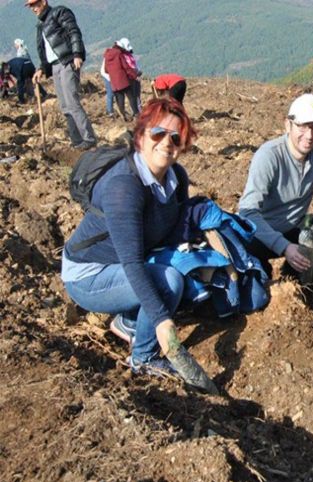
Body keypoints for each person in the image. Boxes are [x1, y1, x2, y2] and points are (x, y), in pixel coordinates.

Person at [61, 98, 217, 394]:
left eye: (176, 137)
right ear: (141, 135)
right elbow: (132, 263)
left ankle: (130, 322)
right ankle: (143, 358)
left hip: (127, 265)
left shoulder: (176, 178)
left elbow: (174, 228)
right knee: (168, 282)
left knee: (188, 281)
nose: (166, 143)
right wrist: (161, 320)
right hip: (89, 275)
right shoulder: (125, 186)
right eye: (158, 133)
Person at [238, 93, 313, 277]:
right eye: (302, 126)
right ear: (288, 124)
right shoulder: (269, 155)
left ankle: (292, 273)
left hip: (293, 226)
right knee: (252, 265)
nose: (309, 136)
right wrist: (283, 247)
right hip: (261, 234)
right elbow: (247, 212)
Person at [27, 0, 97, 149]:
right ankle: (77, 141)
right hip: (54, 66)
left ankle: (89, 138)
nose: (33, 8)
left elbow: (73, 31)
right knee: (65, 105)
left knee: (72, 101)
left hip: (67, 61)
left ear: (44, 2)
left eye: (35, 4)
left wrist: (77, 53)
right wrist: (42, 68)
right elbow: (45, 51)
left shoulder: (59, 12)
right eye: (31, 6)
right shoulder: (40, 25)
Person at [103, 38, 139, 121]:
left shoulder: (107, 55)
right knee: (131, 97)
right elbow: (126, 67)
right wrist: (135, 75)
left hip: (114, 83)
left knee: (120, 101)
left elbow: (106, 70)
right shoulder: (119, 54)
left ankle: (124, 117)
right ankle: (136, 114)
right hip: (123, 80)